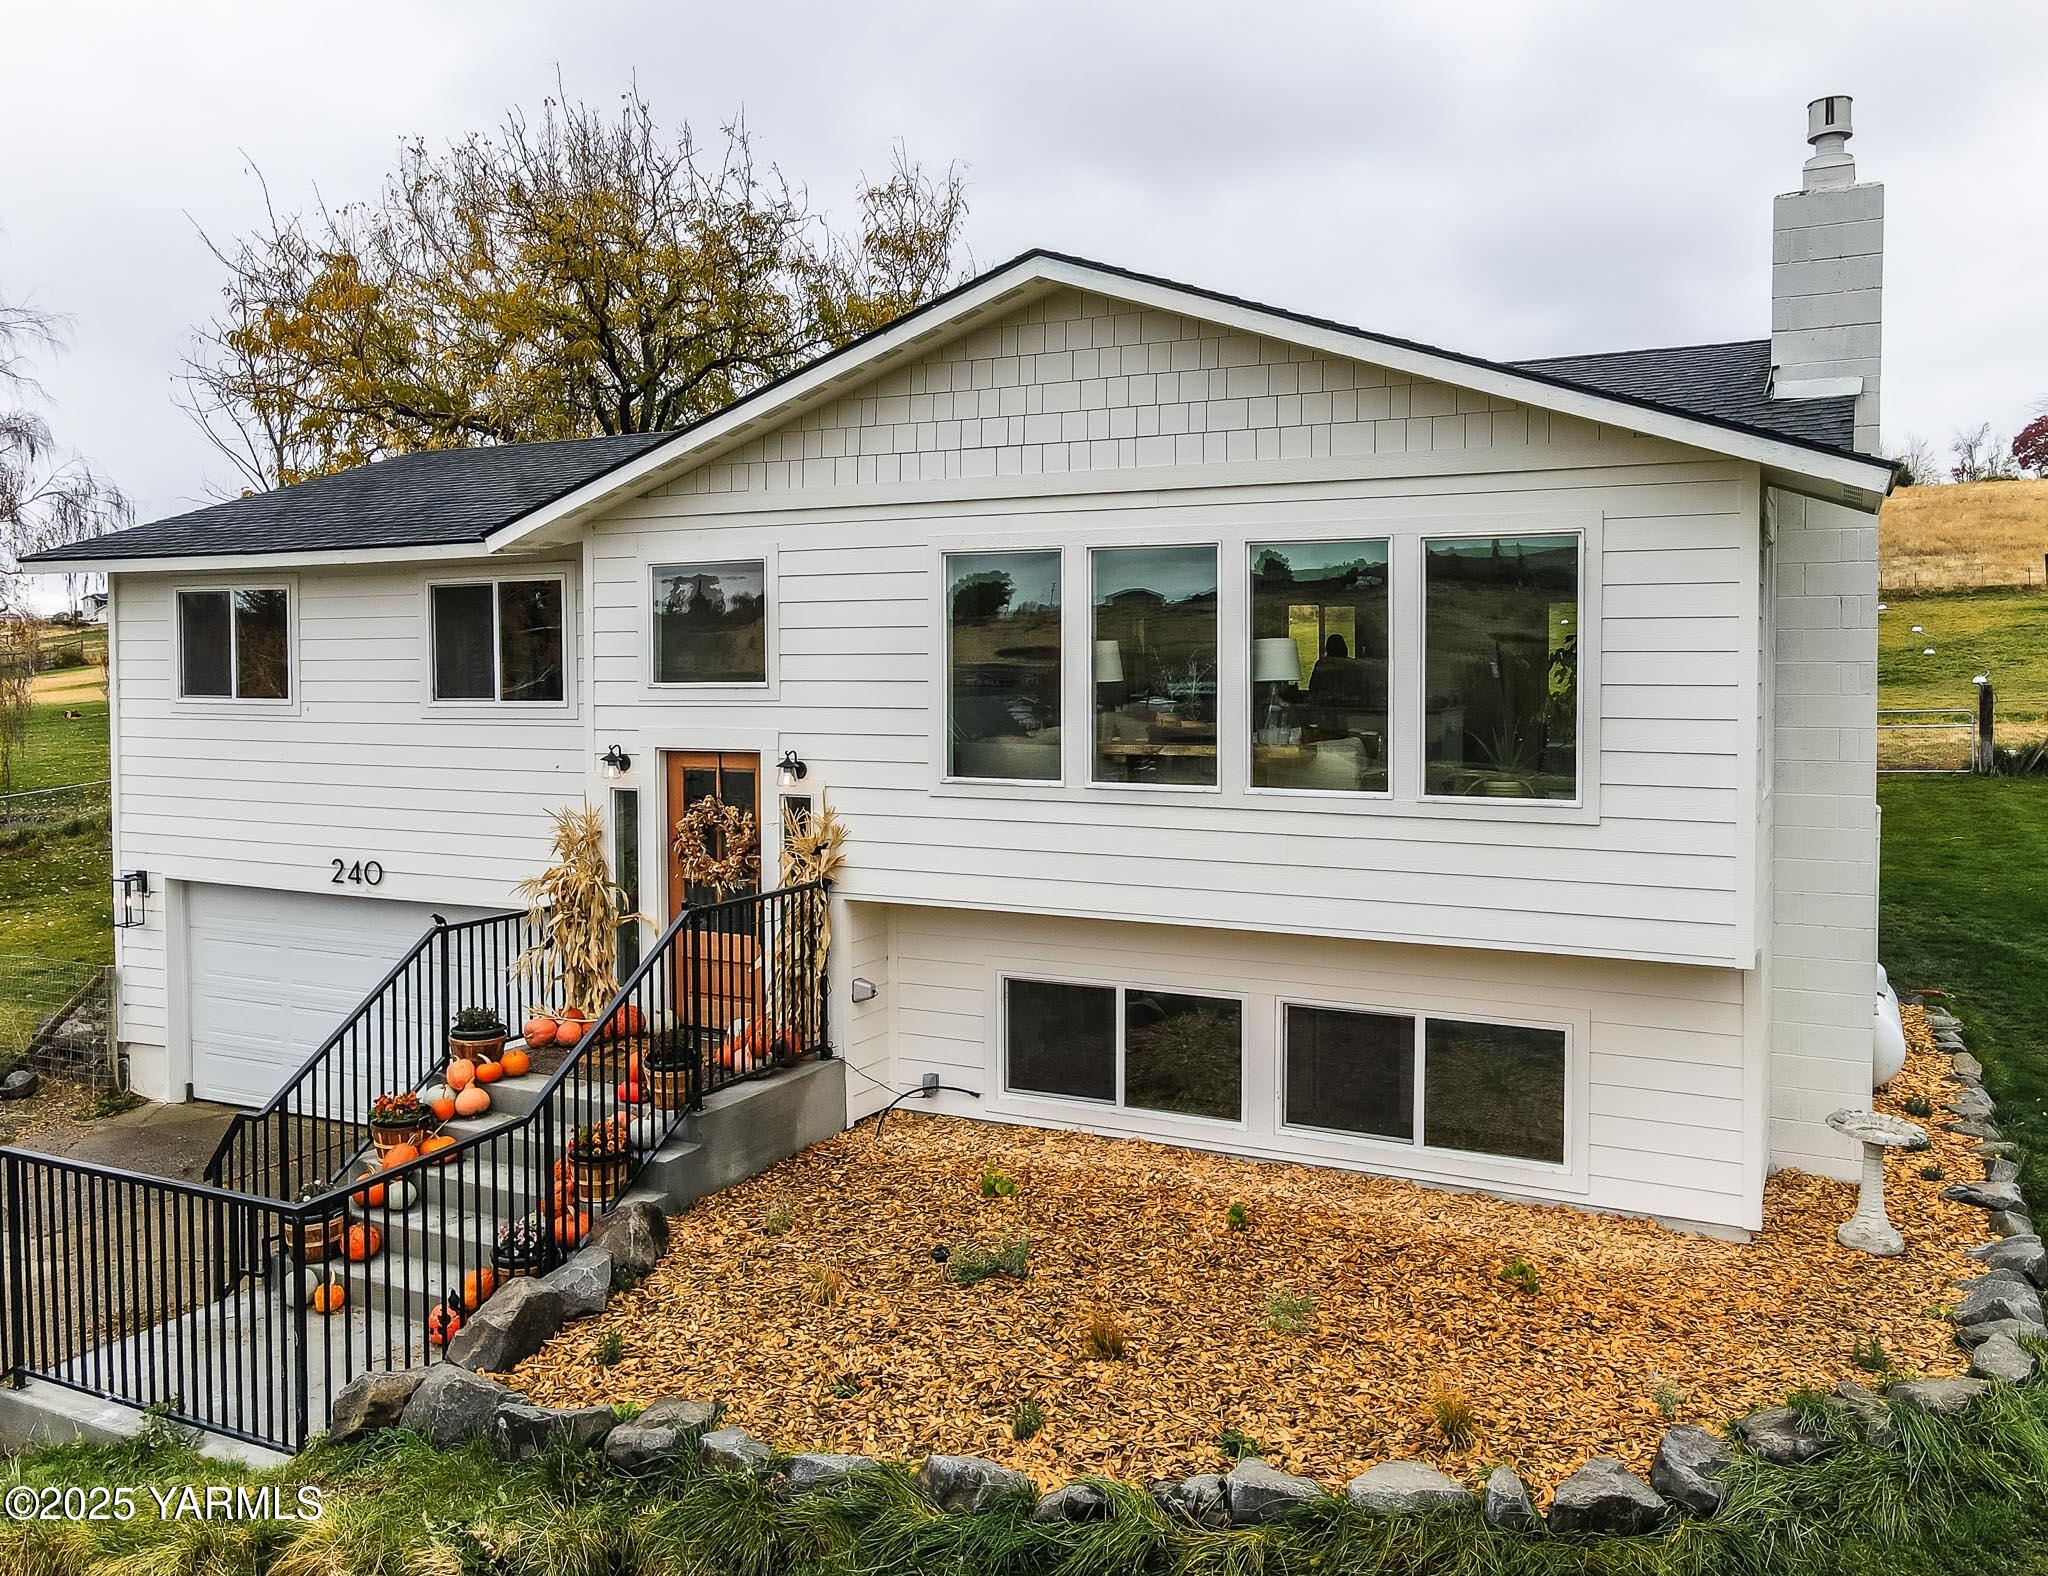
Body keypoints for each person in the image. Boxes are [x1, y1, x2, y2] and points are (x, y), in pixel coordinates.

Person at [1307, 633, 1365, 704]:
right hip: (1350, 704)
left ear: (1327, 649)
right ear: (1345, 648)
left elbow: (1313, 686)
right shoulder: (1354, 665)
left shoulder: (1322, 664)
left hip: (1325, 705)